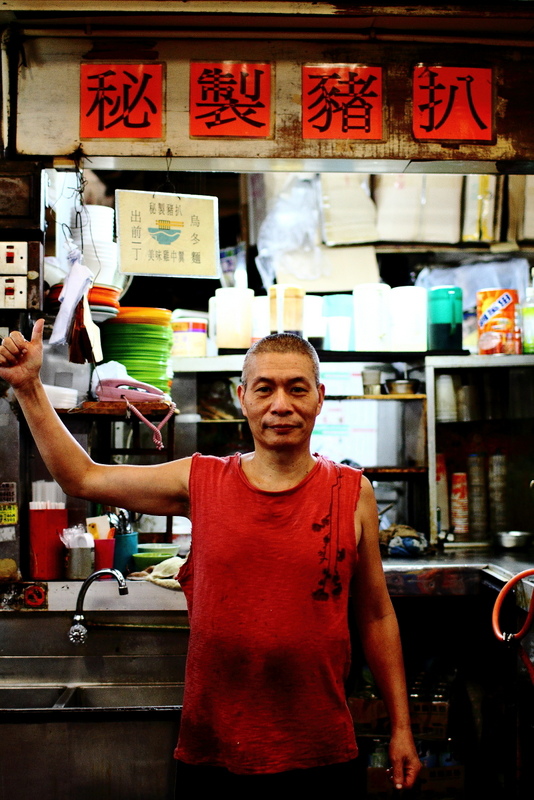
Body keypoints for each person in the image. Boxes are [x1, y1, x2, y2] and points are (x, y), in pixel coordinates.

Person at [0, 320, 421, 793]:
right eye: (265, 389)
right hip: (216, 753)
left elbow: (376, 615)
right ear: (243, 398)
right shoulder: (201, 481)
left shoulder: (351, 492)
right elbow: (83, 477)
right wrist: (29, 387)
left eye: (296, 389)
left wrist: (401, 727)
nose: (280, 405)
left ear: (319, 397)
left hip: (319, 751)